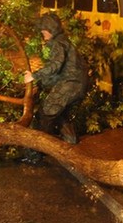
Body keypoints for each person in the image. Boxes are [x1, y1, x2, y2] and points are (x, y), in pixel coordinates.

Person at [23, 13, 89, 161]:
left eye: (43, 29)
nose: (42, 32)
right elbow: (60, 72)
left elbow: (55, 65)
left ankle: (36, 153)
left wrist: (34, 76)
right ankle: (71, 142)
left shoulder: (58, 44)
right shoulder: (64, 42)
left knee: (45, 113)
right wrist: (40, 84)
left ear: (50, 29)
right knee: (60, 113)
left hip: (70, 85)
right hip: (78, 85)